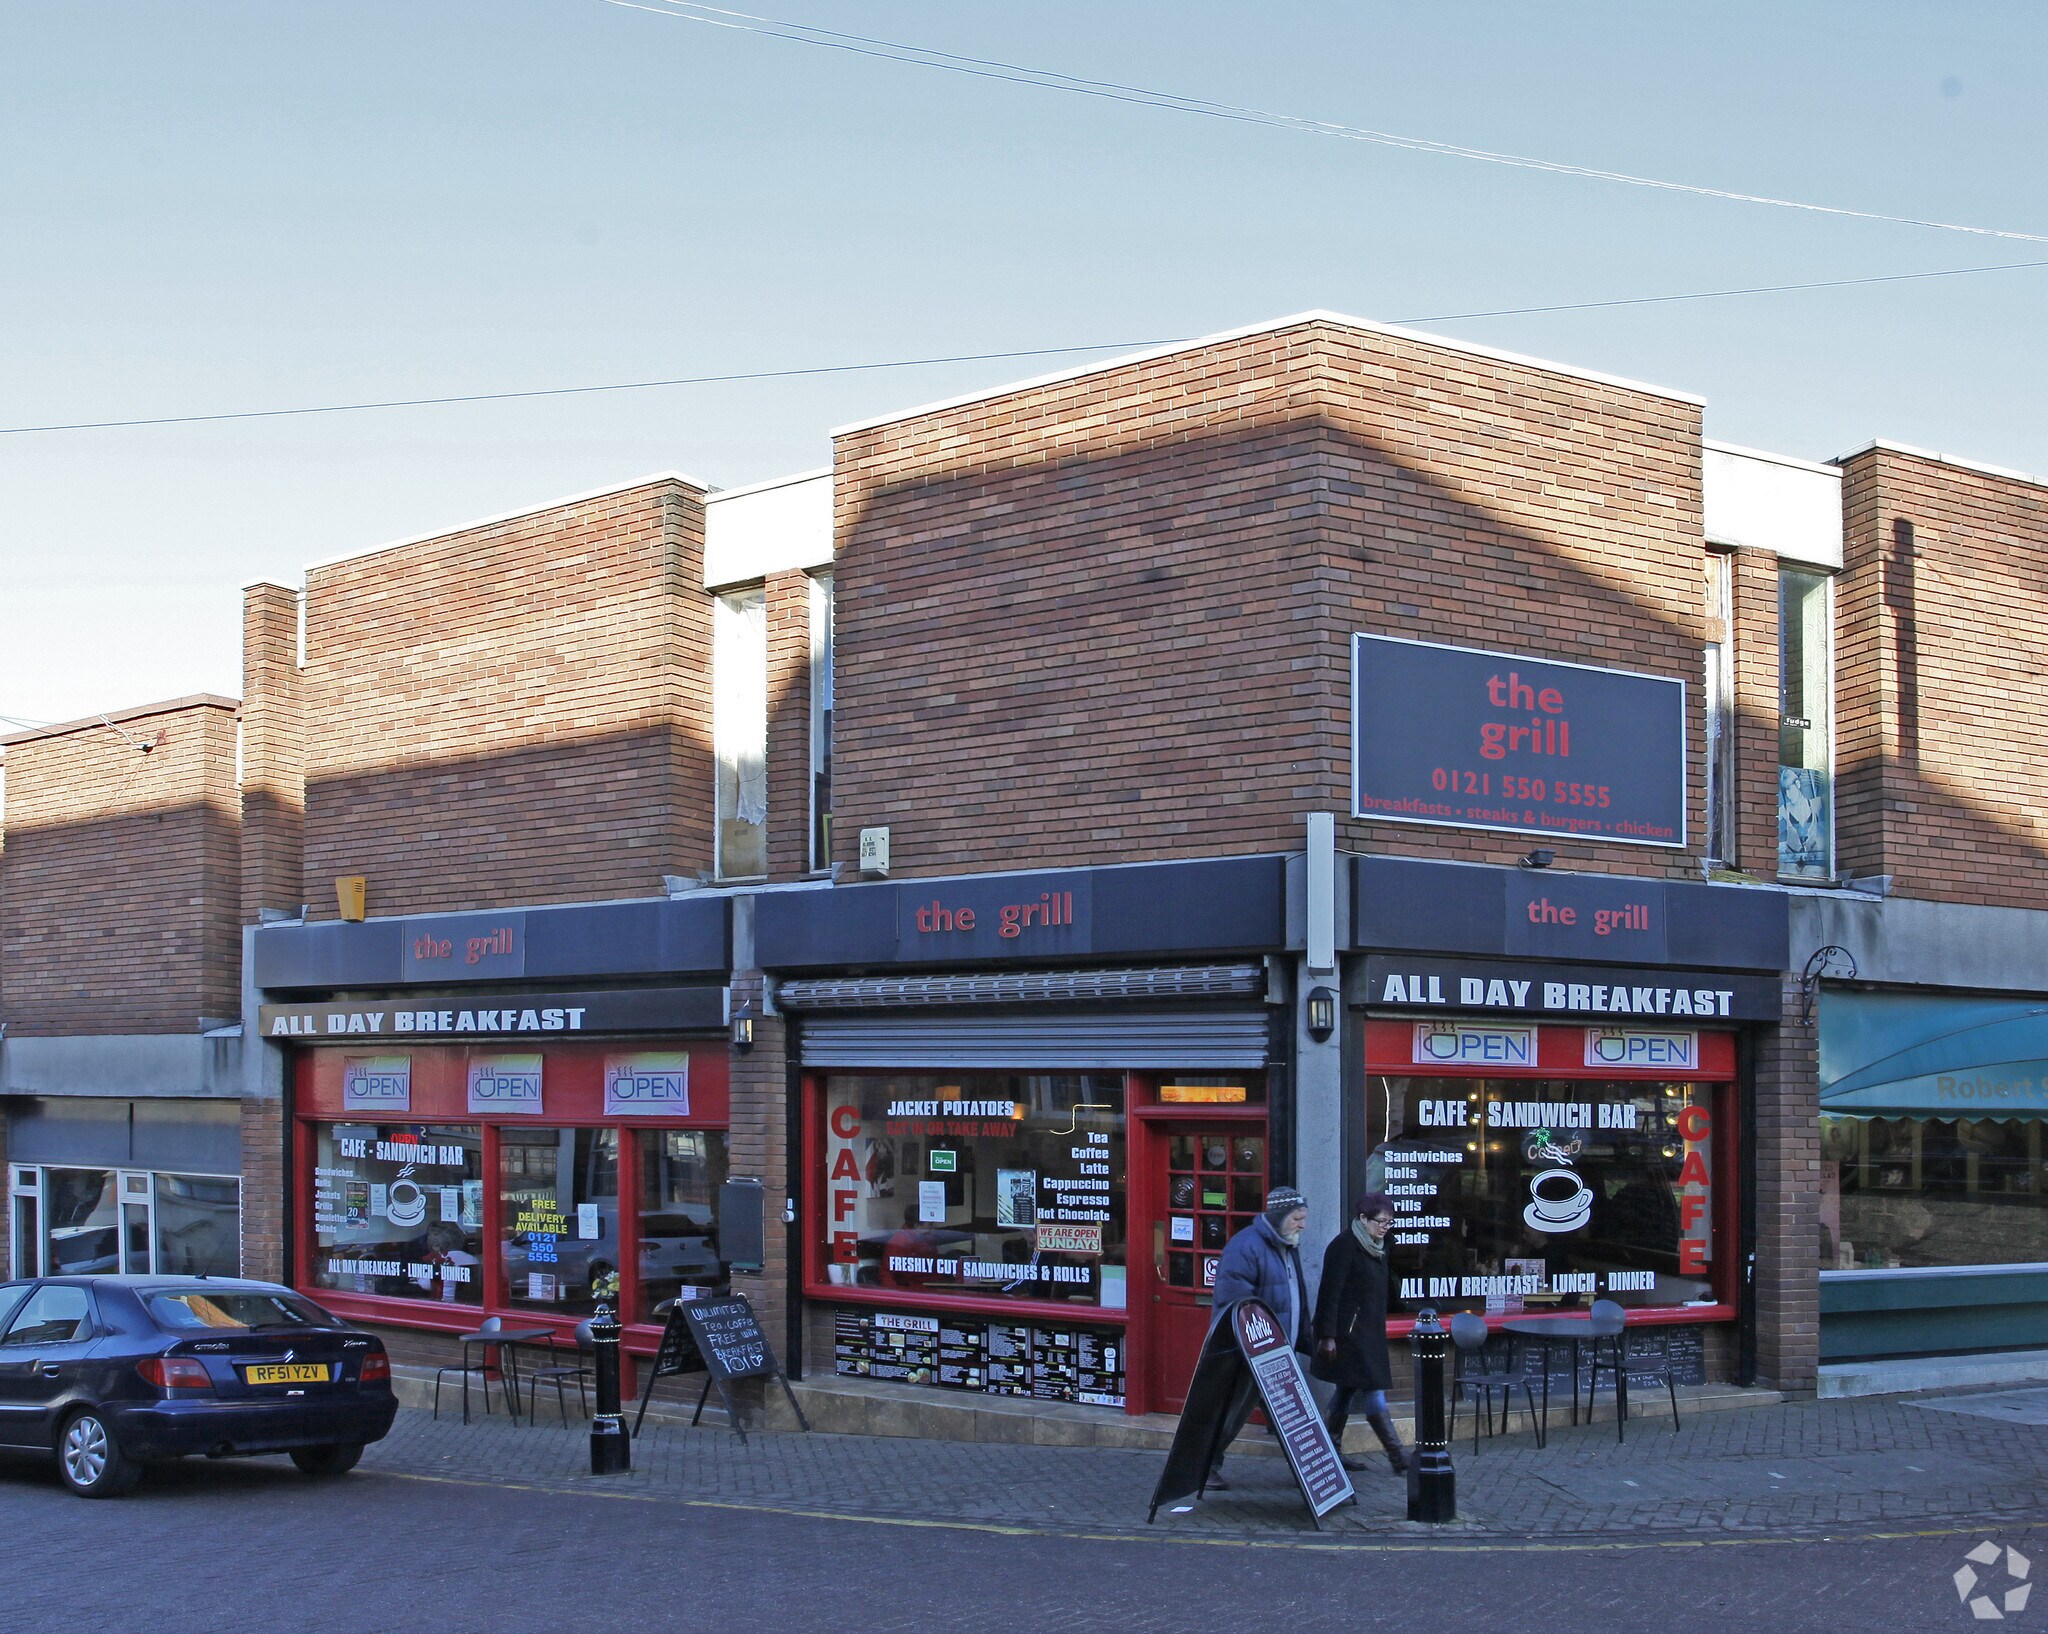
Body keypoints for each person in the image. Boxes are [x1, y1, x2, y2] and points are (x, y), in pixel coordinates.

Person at [1204, 1185, 1312, 1490]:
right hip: (1252, 1353)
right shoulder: (1245, 1247)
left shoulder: (1287, 1246)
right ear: (1279, 1216)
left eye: (1303, 1218)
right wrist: (1258, 1344)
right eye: (1297, 1218)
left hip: (1279, 1351)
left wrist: (1304, 1337)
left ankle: (1313, 1470)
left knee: (1294, 1417)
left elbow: (1296, 1296)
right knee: (1232, 1412)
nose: (1302, 1225)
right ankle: (1204, 1466)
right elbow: (1235, 1302)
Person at [1311, 1193, 1408, 1475]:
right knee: (1373, 1388)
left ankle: (1332, 1451)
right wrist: (1327, 1335)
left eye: (1390, 1222)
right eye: (1381, 1221)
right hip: (1348, 1335)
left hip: (1371, 1331)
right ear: (1363, 1219)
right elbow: (1330, 1293)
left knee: (1345, 1389)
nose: (1385, 1227)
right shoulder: (1343, 1246)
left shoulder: (1381, 1246)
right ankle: (1397, 1456)